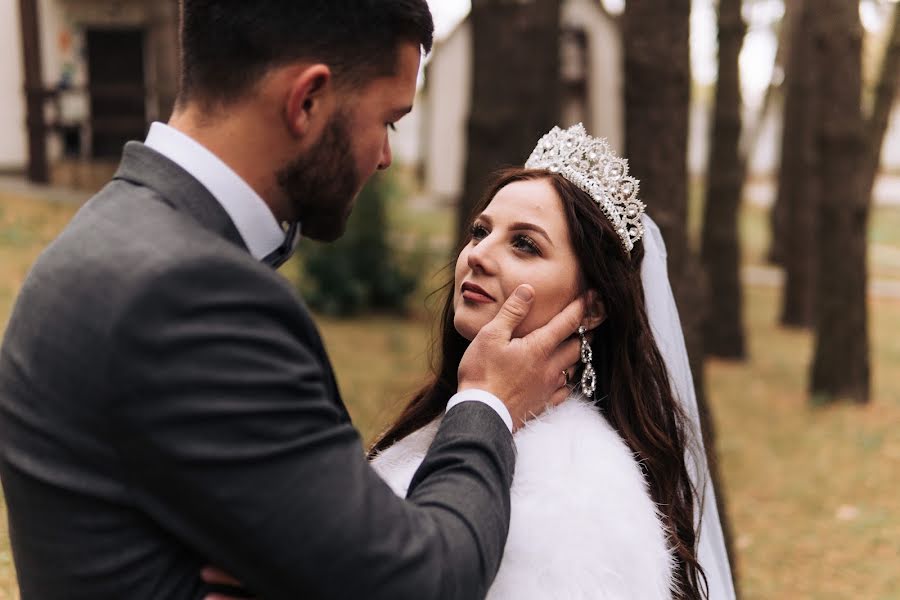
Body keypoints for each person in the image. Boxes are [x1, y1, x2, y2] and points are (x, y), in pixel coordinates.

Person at [0, 3, 584, 599]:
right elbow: (416, 584)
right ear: (307, 101)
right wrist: (489, 402)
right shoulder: (194, 295)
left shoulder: (109, 230)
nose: (385, 157)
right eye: (387, 120)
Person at [368, 124, 738, 599]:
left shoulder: (573, 489)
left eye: (525, 244)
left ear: (593, 307)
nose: (478, 254)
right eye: (480, 231)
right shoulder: (459, 412)